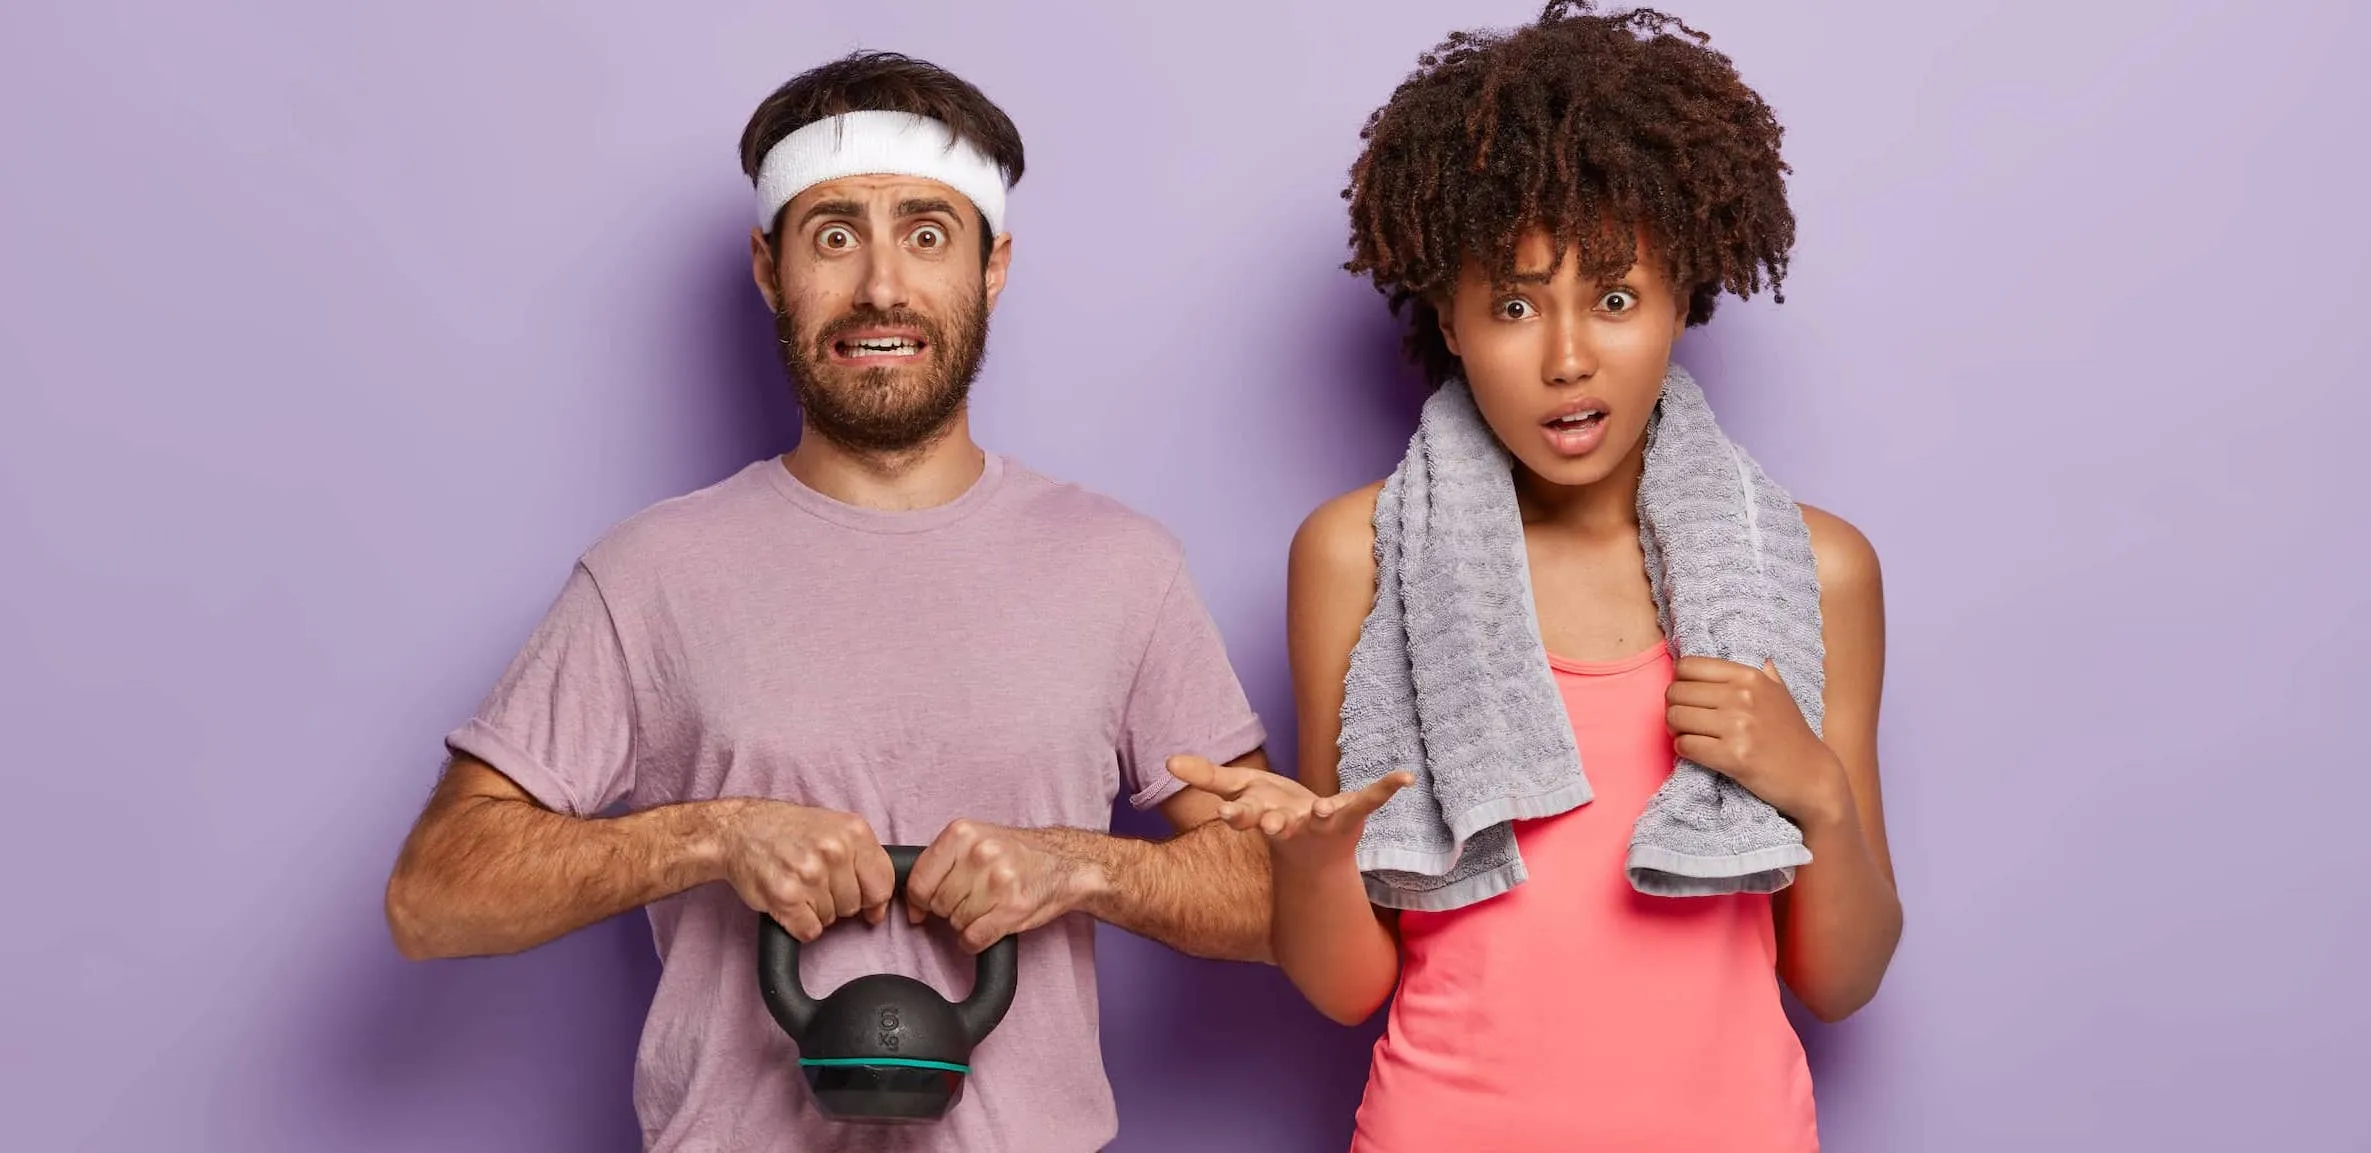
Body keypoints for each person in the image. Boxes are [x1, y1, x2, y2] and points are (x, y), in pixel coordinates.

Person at [382, 50, 1275, 1153]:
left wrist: (1080, 865)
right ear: (770, 267)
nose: (882, 288)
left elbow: (1277, 898)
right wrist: (708, 836)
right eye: (835, 235)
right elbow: (431, 899)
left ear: (993, 266)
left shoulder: (1121, 566)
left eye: (927, 234)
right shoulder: (652, 570)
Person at [1169, 4, 1904, 1150]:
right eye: (1513, 305)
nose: (1566, 358)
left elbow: (1841, 980)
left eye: (1614, 298)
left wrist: (1814, 789)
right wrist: (1312, 861)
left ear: (1679, 299)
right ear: (1451, 319)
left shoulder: (1814, 567)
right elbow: (1345, 988)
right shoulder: (1359, 553)